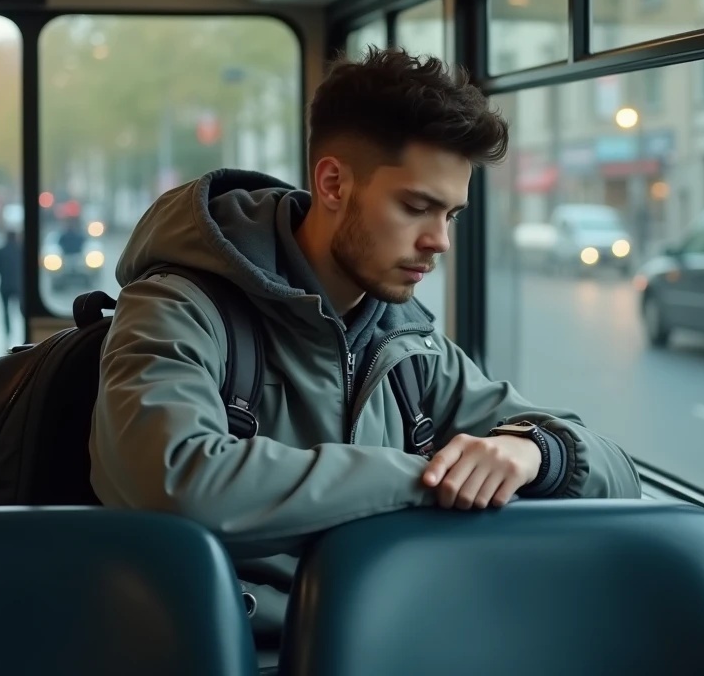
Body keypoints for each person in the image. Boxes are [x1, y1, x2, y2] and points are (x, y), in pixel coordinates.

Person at [90, 48, 642, 645]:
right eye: (416, 207)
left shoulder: (410, 346)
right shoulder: (176, 308)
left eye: (451, 215)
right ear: (333, 183)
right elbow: (178, 483)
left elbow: (619, 475)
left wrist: (536, 452)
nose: (440, 242)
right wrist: (432, 478)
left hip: (383, 644)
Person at [0, 230, 23, 344]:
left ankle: (8, 333)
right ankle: (24, 331)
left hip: (4, 286)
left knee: (5, 311)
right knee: (22, 310)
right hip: (19, 286)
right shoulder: (22, 250)